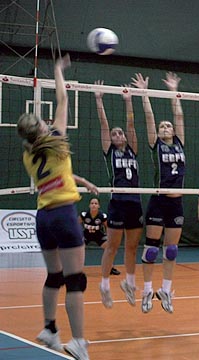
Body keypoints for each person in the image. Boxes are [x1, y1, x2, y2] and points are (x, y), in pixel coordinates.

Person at [17, 54, 95, 359]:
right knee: (76, 280)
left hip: (43, 217)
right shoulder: (57, 140)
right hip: (63, 215)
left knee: (55, 276)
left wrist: (80, 179)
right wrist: (57, 71)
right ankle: (78, 341)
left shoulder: (29, 155)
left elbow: (56, 175)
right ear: (41, 126)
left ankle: (49, 327)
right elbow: (62, 99)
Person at [131, 72, 185, 314]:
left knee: (171, 250)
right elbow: (149, 117)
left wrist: (174, 91)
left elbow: (179, 115)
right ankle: (146, 291)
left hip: (177, 202)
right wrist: (145, 93)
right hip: (158, 200)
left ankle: (166, 289)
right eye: (163, 126)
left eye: (168, 126)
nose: (165, 127)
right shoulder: (157, 144)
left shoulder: (180, 142)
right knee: (152, 249)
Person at [95, 79, 144, 309]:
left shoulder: (132, 148)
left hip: (135, 201)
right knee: (113, 246)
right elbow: (104, 126)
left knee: (132, 247)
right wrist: (98, 99)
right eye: (114, 134)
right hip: (117, 202)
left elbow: (131, 125)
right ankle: (104, 285)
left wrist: (129, 101)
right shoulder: (109, 152)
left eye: (120, 133)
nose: (117, 134)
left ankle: (130, 283)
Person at [79, 197, 120, 276]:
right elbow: (75, 224)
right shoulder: (84, 215)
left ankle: (110, 268)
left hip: (99, 236)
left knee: (112, 249)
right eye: (92, 203)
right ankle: (78, 270)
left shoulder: (102, 216)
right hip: (86, 235)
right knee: (79, 249)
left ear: (99, 206)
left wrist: (110, 237)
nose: (94, 205)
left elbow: (108, 227)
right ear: (89, 205)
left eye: (96, 203)